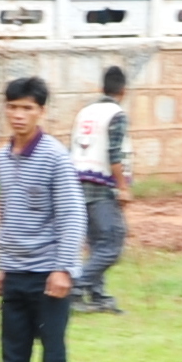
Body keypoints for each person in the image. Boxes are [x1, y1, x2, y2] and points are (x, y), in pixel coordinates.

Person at [0, 75, 80, 362]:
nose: (19, 115)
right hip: (15, 276)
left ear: (41, 112)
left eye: (27, 108)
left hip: (48, 279)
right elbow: (7, 216)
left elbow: (72, 215)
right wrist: (1, 267)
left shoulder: (56, 157)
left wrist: (63, 270)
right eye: (13, 107)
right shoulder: (1, 157)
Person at [69, 65, 134, 312]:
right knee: (113, 243)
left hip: (76, 182)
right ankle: (75, 286)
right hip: (101, 185)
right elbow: (114, 154)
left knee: (97, 242)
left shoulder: (84, 112)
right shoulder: (116, 114)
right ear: (124, 91)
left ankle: (96, 295)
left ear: (101, 88)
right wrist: (123, 187)